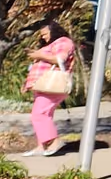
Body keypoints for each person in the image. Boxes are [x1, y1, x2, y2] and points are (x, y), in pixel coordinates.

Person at [21, 19, 75, 158]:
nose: (43, 37)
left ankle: (55, 141)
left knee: (38, 115)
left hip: (53, 85)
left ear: (53, 31)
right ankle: (42, 146)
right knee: (45, 115)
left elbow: (60, 59)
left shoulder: (63, 41)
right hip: (43, 85)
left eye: (45, 34)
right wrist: (27, 83)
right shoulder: (51, 45)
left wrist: (39, 55)